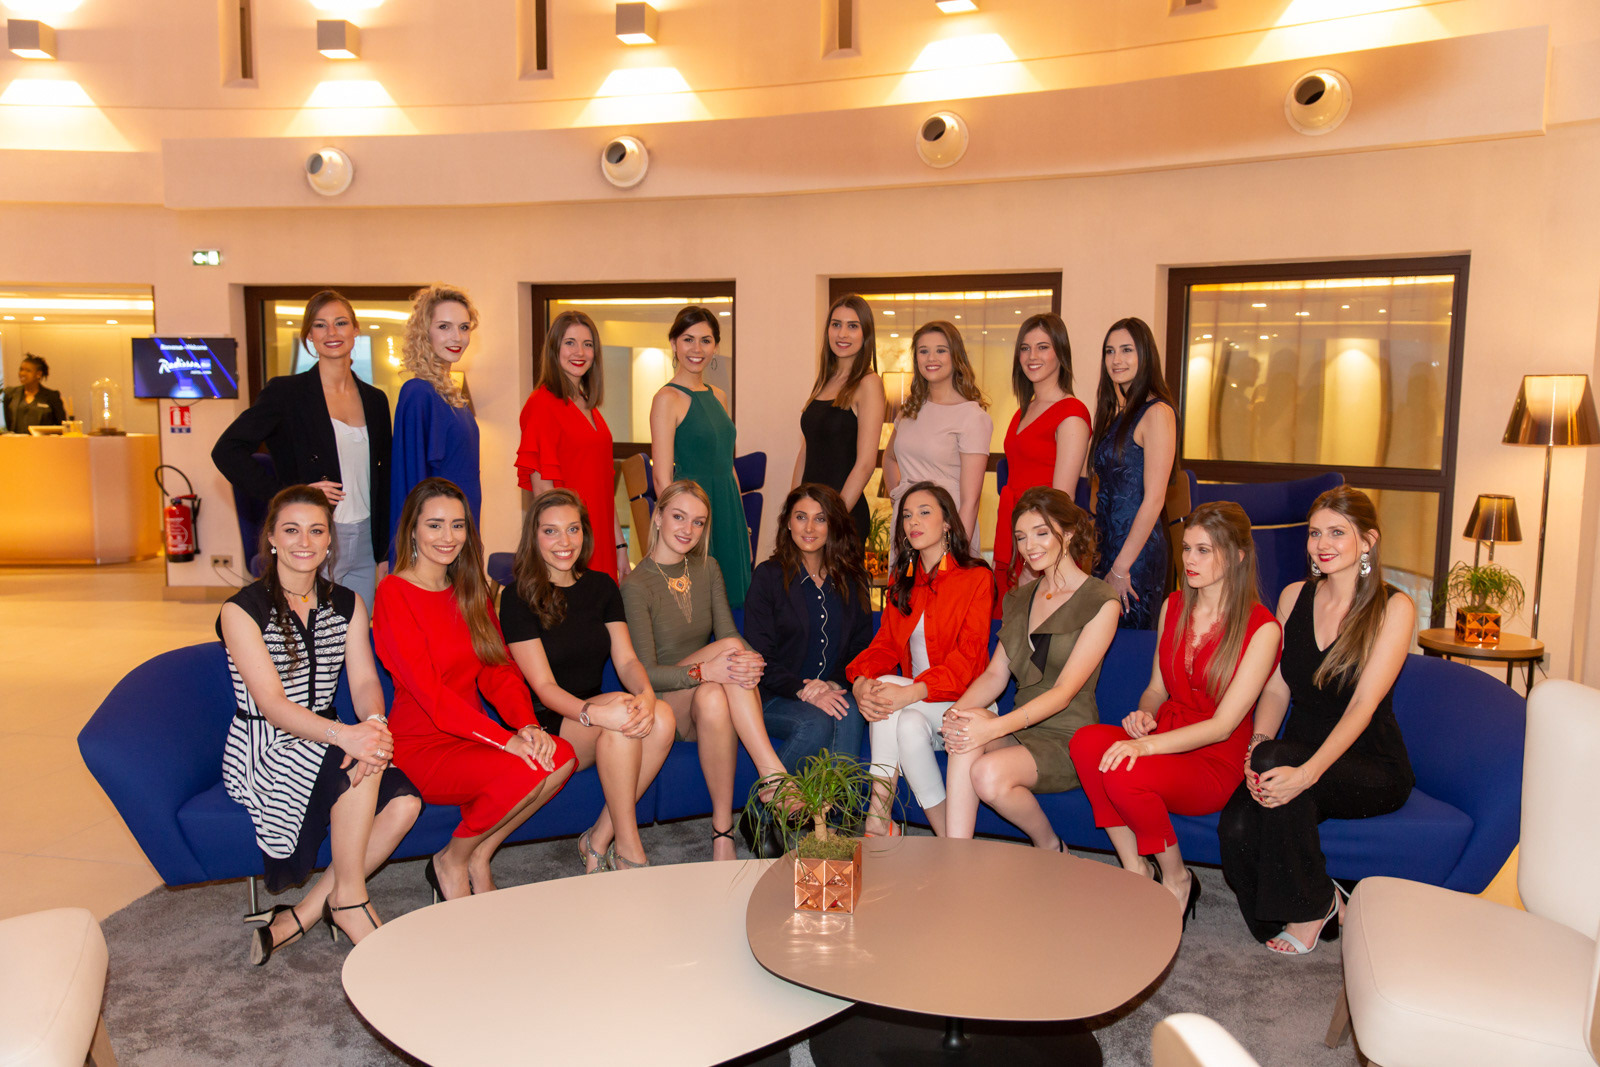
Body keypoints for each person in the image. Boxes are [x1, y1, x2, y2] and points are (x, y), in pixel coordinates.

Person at [219, 485, 420, 963]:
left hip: (331, 735)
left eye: (316, 530)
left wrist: (374, 724)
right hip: (267, 744)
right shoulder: (241, 610)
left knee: (405, 804)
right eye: (291, 530)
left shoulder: (347, 602)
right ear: (271, 538)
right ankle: (350, 903)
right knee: (355, 765)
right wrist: (348, 736)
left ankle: (310, 911)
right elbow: (272, 705)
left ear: (330, 540)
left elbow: (365, 679)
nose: (304, 541)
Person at [1217, 486, 1415, 955]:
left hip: (1369, 765)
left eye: (1337, 533)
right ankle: (1324, 898)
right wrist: (1257, 744)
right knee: (1236, 829)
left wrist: (1307, 773)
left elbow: (1363, 705)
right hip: (1292, 754)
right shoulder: (1294, 597)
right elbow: (1277, 686)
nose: (1321, 544)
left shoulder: (1393, 607)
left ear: (1368, 541)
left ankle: (1307, 910)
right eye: (1314, 533)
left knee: (1279, 767)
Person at [1068, 501, 1281, 929]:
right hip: (1165, 734)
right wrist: (1144, 716)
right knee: (1086, 743)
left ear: (1237, 556)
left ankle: (1178, 877)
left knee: (1123, 771)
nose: (1189, 560)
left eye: (1204, 550)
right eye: (1186, 548)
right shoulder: (1174, 605)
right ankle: (1136, 867)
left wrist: (1144, 747)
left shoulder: (1263, 628)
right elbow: (1155, 689)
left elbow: (1222, 726)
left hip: (1215, 758)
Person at [373, 478, 577, 900]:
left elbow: (497, 670)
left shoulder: (469, 589)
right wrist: (506, 740)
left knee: (560, 756)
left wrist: (526, 726)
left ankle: (476, 854)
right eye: (434, 525)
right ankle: (451, 860)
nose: (448, 537)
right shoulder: (394, 593)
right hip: (421, 745)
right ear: (412, 530)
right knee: (527, 767)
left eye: (457, 525)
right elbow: (432, 697)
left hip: (470, 735)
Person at [502, 489, 674, 873]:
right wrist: (597, 714)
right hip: (548, 719)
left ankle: (597, 840)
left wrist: (646, 694)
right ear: (533, 536)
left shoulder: (602, 586)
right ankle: (629, 849)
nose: (564, 541)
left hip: (594, 710)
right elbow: (544, 688)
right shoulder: (517, 597)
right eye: (550, 531)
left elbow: (626, 659)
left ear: (585, 532)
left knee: (661, 716)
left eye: (573, 529)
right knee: (619, 723)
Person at [620, 479, 788, 860]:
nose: (688, 530)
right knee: (727, 658)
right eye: (679, 517)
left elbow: (729, 634)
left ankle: (722, 832)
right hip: (665, 708)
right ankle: (773, 775)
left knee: (715, 692)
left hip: (704, 704)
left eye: (698, 522)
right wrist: (706, 670)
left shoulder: (708, 568)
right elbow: (646, 673)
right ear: (658, 517)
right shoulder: (636, 585)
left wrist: (752, 660)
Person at [943, 487, 1118, 848]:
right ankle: (955, 855)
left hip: (1068, 737)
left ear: (1068, 533)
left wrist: (993, 727)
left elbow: (1063, 693)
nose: (1029, 546)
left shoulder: (1101, 600)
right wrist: (956, 714)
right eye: (1021, 537)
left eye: (1041, 533)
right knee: (966, 727)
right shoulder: (1019, 598)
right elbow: (996, 674)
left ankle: (1050, 846)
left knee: (987, 773)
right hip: (1021, 729)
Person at [213, 290, 391, 610]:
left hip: (366, 541)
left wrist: (385, 552)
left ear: (355, 329)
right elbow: (227, 450)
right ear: (309, 335)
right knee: (311, 631)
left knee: (357, 633)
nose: (332, 332)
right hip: (312, 538)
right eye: (320, 325)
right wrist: (290, 495)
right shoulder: (286, 393)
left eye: (341, 323)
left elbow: (385, 477)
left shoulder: (375, 400)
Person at [847, 482, 993, 837]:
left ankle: (877, 819)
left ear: (947, 523)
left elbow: (968, 662)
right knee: (907, 723)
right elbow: (884, 645)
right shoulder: (902, 580)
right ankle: (947, 840)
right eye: (907, 515)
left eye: (925, 513)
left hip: (966, 705)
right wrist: (861, 682)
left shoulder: (977, 577)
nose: (913, 521)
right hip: (918, 709)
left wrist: (909, 692)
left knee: (891, 690)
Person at [744, 484, 871, 774]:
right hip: (776, 696)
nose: (809, 527)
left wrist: (833, 684)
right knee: (816, 721)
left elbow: (861, 647)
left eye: (820, 518)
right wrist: (803, 690)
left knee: (848, 712)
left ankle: (836, 803)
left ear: (832, 525)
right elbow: (760, 656)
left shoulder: (853, 579)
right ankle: (769, 800)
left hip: (834, 689)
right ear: (788, 523)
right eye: (801, 517)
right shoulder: (768, 577)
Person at [648, 306, 752, 608]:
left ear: (715, 346)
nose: (697, 349)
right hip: (692, 514)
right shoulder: (666, 398)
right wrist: (680, 527)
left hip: (728, 509)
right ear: (674, 343)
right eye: (688, 339)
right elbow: (662, 478)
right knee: (698, 604)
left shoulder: (719, 395)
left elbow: (728, 464)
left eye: (705, 340)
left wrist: (742, 524)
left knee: (733, 601)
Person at [516, 310, 629, 582]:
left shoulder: (588, 404)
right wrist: (562, 546)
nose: (580, 352)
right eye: (570, 343)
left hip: (601, 537)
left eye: (587, 344)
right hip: (570, 543)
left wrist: (620, 546)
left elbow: (604, 486)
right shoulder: (541, 404)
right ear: (554, 348)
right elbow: (543, 492)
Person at [993, 314, 1091, 597]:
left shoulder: (1072, 413)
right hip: (1014, 533)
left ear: (1061, 352)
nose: (1032, 356)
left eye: (1043, 347)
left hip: (1043, 542)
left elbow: (1062, 501)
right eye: (1025, 348)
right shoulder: (1024, 410)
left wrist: (1033, 561)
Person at [1090, 316, 1177, 630]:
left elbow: (1154, 500)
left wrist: (1121, 567)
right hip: (1109, 548)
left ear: (1145, 355)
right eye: (1110, 351)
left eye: (1127, 350)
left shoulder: (1157, 412)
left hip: (1135, 555)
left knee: (1130, 640)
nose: (1116, 359)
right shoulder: (1120, 413)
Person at [883, 321, 992, 552]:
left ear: (956, 356)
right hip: (908, 530)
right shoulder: (909, 409)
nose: (931, 358)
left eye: (941, 350)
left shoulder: (972, 417)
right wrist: (900, 503)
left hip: (949, 529)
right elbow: (889, 458)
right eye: (923, 351)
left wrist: (956, 551)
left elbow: (971, 500)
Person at [390, 284, 483, 553]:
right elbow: (412, 483)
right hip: (438, 542)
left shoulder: (452, 394)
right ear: (424, 332)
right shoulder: (418, 393)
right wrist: (414, 553)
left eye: (464, 327)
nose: (457, 337)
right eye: (444, 327)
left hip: (461, 530)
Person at [791, 294, 887, 547]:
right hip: (810, 515)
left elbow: (865, 465)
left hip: (843, 516)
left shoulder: (868, 384)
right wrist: (794, 508)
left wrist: (832, 519)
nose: (842, 333)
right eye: (836, 324)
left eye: (852, 326)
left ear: (866, 334)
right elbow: (806, 450)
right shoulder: (825, 380)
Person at [4, 354, 66, 431]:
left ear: (38, 374)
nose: (22, 373)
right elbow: (9, 424)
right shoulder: (10, 394)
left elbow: (62, 425)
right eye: (21, 369)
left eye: (28, 371)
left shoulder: (52, 396)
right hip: (17, 438)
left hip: (43, 438)